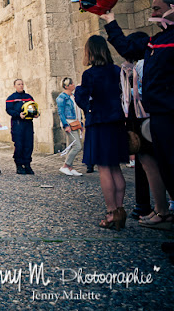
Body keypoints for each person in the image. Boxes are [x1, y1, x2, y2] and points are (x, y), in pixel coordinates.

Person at [100, 0, 174, 219]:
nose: (152, 13)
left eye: (156, 8)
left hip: (170, 114)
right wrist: (110, 21)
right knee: (168, 170)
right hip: (159, 115)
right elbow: (129, 48)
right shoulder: (157, 40)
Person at [75, 35, 128, 230]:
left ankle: (111, 212)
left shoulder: (90, 74)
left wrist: (78, 91)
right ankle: (120, 210)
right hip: (117, 122)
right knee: (116, 168)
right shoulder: (117, 70)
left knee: (104, 168)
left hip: (99, 122)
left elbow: (83, 99)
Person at [5, 79, 37, 175]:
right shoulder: (11, 98)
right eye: (19, 84)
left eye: (22, 84)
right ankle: (19, 165)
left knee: (28, 145)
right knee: (19, 145)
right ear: (14, 86)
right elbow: (9, 110)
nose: (21, 86)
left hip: (28, 124)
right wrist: (18, 114)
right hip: (17, 124)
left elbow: (34, 108)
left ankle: (27, 165)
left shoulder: (29, 97)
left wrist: (36, 114)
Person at [56, 77, 84, 176]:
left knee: (73, 145)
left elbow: (78, 111)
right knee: (77, 146)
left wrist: (81, 123)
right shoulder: (62, 97)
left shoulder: (73, 96)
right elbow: (60, 112)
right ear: (67, 86)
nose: (73, 85)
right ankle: (65, 166)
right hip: (69, 123)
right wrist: (65, 125)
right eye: (71, 84)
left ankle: (70, 167)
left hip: (75, 123)